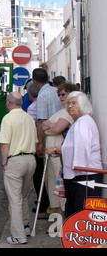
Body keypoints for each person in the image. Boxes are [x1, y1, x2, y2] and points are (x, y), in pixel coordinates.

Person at [46, 91, 103, 218]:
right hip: (81, 175)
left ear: (82, 105)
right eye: (68, 103)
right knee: (75, 213)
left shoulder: (84, 122)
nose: (70, 106)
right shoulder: (80, 122)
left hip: (84, 175)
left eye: (74, 103)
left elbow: (79, 148)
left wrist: (56, 149)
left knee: (81, 215)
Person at [0, 92, 38, 245]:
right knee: (23, 196)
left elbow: (4, 144)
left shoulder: (8, 118)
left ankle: (18, 235)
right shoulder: (28, 117)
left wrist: (4, 163)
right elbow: (35, 141)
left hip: (15, 161)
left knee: (14, 199)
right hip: (30, 160)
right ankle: (26, 225)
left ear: (9, 103)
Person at [43, 83, 79, 220]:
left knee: (60, 190)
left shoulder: (69, 112)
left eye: (64, 94)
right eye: (59, 94)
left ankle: (64, 222)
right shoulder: (60, 111)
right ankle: (59, 223)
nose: (61, 97)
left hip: (60, 156)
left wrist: (51, 127)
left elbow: (57, 129)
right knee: (53, 189)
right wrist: (51, 126)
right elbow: (45, 125)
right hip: (52, 156)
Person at [32, 68, 62, 219]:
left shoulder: (42, 96)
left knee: (50, 176)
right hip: (61, 136)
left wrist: (39, 143)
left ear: (35, 82)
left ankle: (53, 210)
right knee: (57, 175)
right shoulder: (55, 91)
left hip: (51, 138)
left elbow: (41, 121)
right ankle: (54, 209)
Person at [26, 82, 50, 217]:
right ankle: (44, 202)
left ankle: (42, 204)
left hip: (37, 145)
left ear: (30, 94)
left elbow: (33, 127)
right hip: (47, 144)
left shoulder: (32, 108)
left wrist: (37, 144)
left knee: (38, 176)